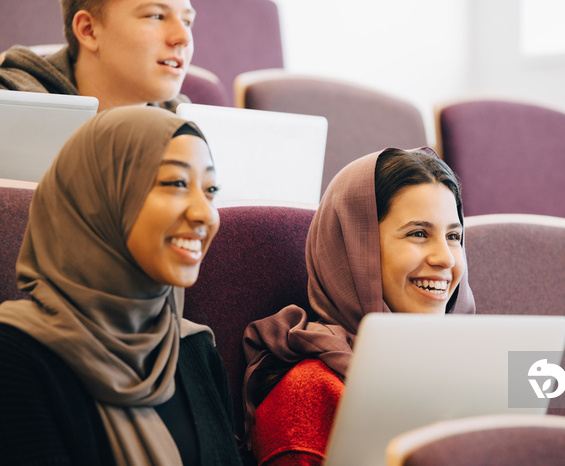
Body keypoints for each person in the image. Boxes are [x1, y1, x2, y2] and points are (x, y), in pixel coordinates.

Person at [0, 106, 242, 465]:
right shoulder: (15, 357)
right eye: (176, 183)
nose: (205, 213)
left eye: (210, 190)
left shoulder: (194, 350)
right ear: (99, 199)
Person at [242, 147, 476, 465]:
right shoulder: (309, 395)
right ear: (353, 250)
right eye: (419, 233)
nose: (445, 258)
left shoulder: (477, 368)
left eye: (453, 236)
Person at [0, 0, 194, 112]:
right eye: (156, 16)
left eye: (187, 21)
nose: (184, 37)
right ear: (89, 30)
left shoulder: (185, 121)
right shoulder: (11, 104)